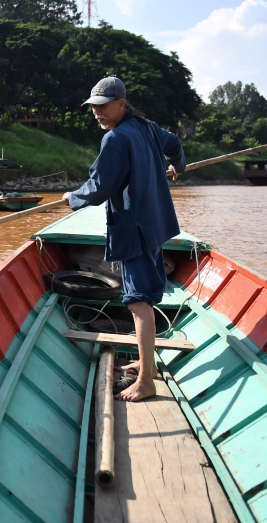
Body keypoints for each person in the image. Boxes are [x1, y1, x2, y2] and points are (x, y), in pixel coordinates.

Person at [62, 76, 186, 402]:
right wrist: (178, 164)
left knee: (137, 301)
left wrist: (73, 198)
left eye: (104, 106)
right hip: (155, 225)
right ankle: (148, 364)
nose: (98, 113)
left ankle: (146, 380)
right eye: (93, 108)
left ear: (121, 104)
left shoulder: (116, 139)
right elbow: (173, 142)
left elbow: (100, 187)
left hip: (135, 229)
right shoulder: (147, 128)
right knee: (143, 296)